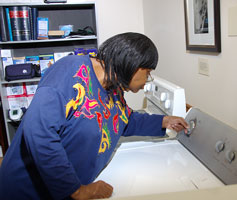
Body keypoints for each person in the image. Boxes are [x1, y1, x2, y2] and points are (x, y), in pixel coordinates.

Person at [0, 32, 188, 200]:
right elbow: (39, 132)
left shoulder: (114, 87)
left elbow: (123, 119)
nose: (147, 81)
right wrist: (77, 191)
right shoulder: (69, 71)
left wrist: (164, 121)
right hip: (29, 191)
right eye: (148, 73)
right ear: (134, 64)